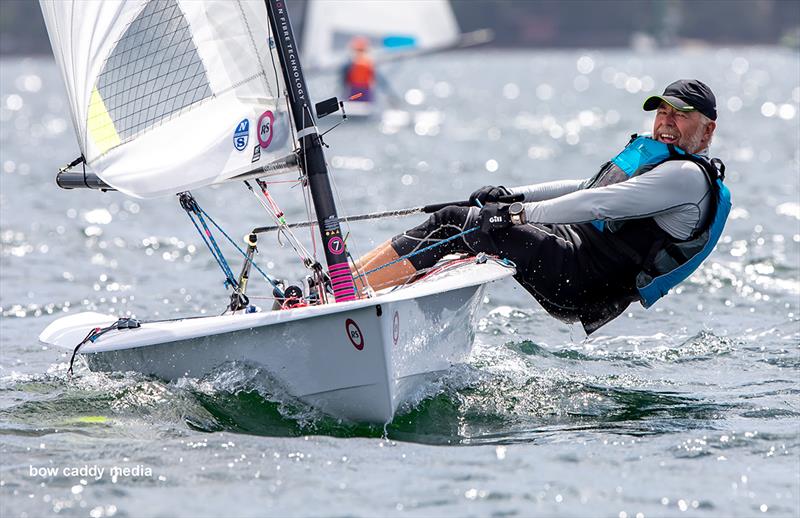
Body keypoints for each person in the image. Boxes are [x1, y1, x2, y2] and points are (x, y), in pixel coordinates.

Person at [352, 79, 732, 334]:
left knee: (456, 224)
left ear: (708, 129)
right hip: (571, 251)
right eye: (662, 112)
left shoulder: (685, 177)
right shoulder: (664, 162)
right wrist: (510, 196)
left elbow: (598, 203)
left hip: (580, 276)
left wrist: (514, 215)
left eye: (680, 115)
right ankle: (354, 287)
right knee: (464, 227)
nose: (667, 122)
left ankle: (344, 294)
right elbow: (586, 186)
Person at [341, 36, 377, 103]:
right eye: (358, 50)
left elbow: (372, 78)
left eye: (361, 50)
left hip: (364, 89)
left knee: (364, 106)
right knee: (353, 105)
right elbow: (346, 78)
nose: (359, 53)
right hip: (354, 88)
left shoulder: (369, 63)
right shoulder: (350, 63)